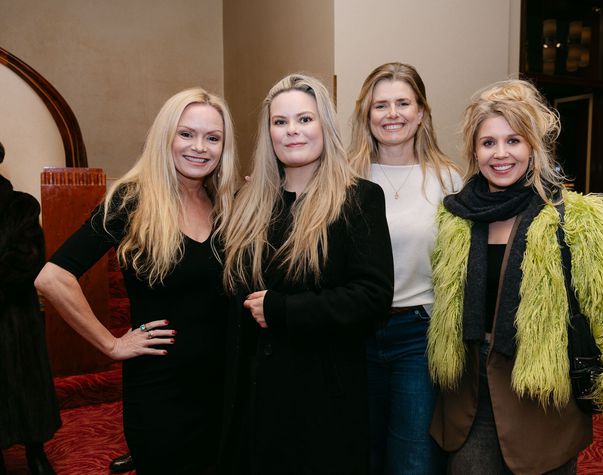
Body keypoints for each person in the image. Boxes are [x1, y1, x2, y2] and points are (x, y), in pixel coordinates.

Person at [426, 79, 603, 474]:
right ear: (474, 151)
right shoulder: (455, 218)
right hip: (469, 399)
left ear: (534, 147)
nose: (500, 153)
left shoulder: (579, 219)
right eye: (488, 143)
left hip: (544, 400)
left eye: (513, 140)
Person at [35, 88, 239, 474]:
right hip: (160, 390)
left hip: (223, 384)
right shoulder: (131, 201)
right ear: (165, 137)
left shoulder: (226, 204)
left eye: (213, 138)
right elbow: (53, 277)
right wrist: (110, 344)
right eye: (186, 134)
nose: (200, 147)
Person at [219, 73, 394, 474]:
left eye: (304, 119)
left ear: (324, 126)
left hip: (323, 391)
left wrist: (282, 310)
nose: (292, 131)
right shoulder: (249, 201)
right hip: (257, 394)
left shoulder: (358, 198)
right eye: (280, 122)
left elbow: (372, 296)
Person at [348, 62, 461, 474]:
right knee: (360, 450)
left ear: (421, 112)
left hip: (418, 333)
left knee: (413, 457)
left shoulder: (448, 181)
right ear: (367, 114)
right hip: (354, 330)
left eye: (403, 103)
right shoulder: (344, 177)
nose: (392, 114)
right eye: (381, 105)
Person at [0, 141, 61, 475]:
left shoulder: (20, 206)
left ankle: (36, 452)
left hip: (15, 314)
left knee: (26, 385)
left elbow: (27, 258)